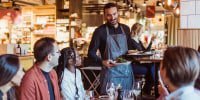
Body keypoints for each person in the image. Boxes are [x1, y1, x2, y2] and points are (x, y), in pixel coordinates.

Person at [88, 3, 134, 95]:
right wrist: (102, 62)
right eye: (109, 15)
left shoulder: (126, 29)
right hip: (110, 74)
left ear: (118, 13)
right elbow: (91, 53)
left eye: (114, 14)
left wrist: (135, 55)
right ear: (105, 16)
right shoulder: (99, 31)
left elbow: (130, 50)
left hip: (126, 72)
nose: (112, 17)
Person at [129, 23, 156, 95]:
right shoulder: (131, 41)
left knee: (153, 66)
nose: (142, 33)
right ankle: (149, 89)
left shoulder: (138, 41)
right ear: (137, 31)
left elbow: (145, 51)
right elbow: (140, 53)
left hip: (141, 62)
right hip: (134, 64)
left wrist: (151, 42)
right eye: (141, 31)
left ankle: (148, 89)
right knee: (152, 67)